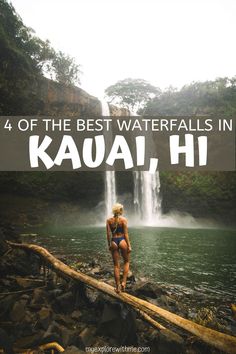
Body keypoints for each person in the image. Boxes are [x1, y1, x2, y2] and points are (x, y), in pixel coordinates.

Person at [106, 203, 132, 293]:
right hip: (122, 241)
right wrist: (129, 245)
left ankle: (117, 287)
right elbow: (126, 234)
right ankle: (124, 282)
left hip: (114, 241)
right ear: (120, 211)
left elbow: (108, 234)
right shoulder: (123, 220)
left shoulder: (109, 220)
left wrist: (109, 244)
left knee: (116, 265)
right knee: (127, 261)